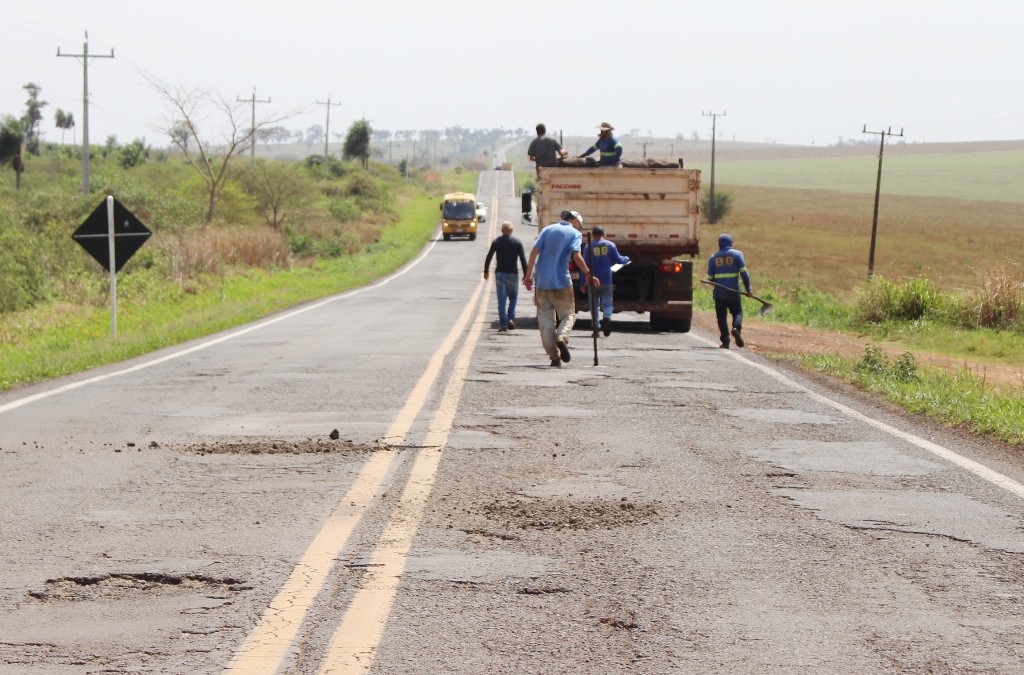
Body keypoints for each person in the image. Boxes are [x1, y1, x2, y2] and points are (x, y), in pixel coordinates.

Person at [524, 210, 598, 367]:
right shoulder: (574, 233)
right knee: (568, 315)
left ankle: (554, 357)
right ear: (576, 222)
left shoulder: (547, 230)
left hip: (542, 282)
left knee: (545, 320)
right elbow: (577, 256)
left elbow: (534, 253)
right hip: (562, 282)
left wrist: (528, 276)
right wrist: (588, 273)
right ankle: (562, 337)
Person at [581, 225, 629, 336]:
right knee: (607, 303)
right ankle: (607, 317)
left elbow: (584, 265)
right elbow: (619, 259)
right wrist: (627, 258)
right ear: (604, 234)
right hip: (607, 279)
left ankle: (596, 327)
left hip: (592, 279)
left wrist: (584, 281)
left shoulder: (588, 247)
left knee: (594, 304)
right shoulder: (610, 245)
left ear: (593, 235)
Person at [707, 233, 752, 349]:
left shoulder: (713, 258)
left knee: (721, 317)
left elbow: (711, 278)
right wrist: (748, 289)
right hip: (734, 291)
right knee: (737, 312)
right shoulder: (737, 254)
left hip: (719, 293)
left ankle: (725, 341)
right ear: (730, 243)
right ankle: (736, 328)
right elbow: (744, 273)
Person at [483, 221, 528, 333]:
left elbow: (489, 256)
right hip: (513, 273)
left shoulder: (497, 242)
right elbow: (523, 259)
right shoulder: (517, 242)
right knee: (513, 297)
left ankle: (503, 324)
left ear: (502, 231)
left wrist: (486, 271)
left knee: (501, 300)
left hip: (500, 274)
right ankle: (511, 318)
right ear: (511, 231)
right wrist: (526, 274)